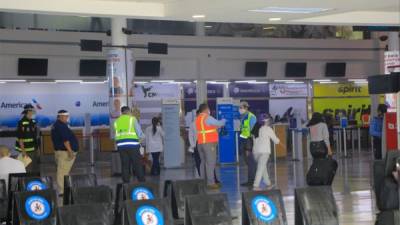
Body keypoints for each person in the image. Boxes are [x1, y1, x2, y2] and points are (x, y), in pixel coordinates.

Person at [195, 103, 226, 189]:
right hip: (209, 144)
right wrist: (224, 120)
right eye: (208, 109)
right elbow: (219, 123)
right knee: (210, 164)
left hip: (200, 143)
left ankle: (202, 181)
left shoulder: (198, 118)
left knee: (203, 163)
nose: (209, 111)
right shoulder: (207, 117)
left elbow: (206, 128)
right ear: (206, 109)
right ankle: (211, 183)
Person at [51, 110, 78, 195]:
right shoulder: (61, 126)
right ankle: (62, 191)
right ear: (61, 116)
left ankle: (64, 189)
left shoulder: (57, 125)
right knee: (62, 172)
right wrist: (70, 151)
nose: (67, 118)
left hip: (62, 152)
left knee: (64, 171)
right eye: (66, 116)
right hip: (64, 152)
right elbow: (65, 140)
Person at [114, 106, 145, 183]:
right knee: (137, 164)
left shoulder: (117, 121)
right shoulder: (132, 119)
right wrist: (141, 140)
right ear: (128, 111)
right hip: (133, 145)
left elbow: (116, 135)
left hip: (121, 146)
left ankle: (125, 183)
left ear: (122, 112)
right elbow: (140, 133)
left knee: (125, 165)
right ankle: (142, 181)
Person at [252, 116, 281, 190]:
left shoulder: (256, 128)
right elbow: (276, 140)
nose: (269, 122)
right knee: (261, 168)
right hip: (264, 152)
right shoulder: (268, 129)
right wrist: (278, 141)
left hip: (256, 152)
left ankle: (268, 184)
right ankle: (256, 185)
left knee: (263, 168)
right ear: (266, 121)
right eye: (268, 121)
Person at [15, 104, 40, 173]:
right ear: (28, 111)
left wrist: (37, 149)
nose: (33, 112)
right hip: (27, 151)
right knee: (29, 169)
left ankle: (35, 182)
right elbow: (20, 138)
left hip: (34, 149)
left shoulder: (33, 122)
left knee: (35, 168)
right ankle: (28, 182)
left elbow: (35, 136)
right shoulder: (22, 123)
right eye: (32, 110)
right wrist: (23, 151)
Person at [239, 101, 257, 187]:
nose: (240, 109)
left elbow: (252, 133)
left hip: (248, 142)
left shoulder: (251, 117)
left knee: (251, 162)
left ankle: (251, 181)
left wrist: (248, 148)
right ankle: (251, 180)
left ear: (246, 108)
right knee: (248, 162)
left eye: (241, 107)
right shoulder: (243, 117)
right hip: (243, 141)